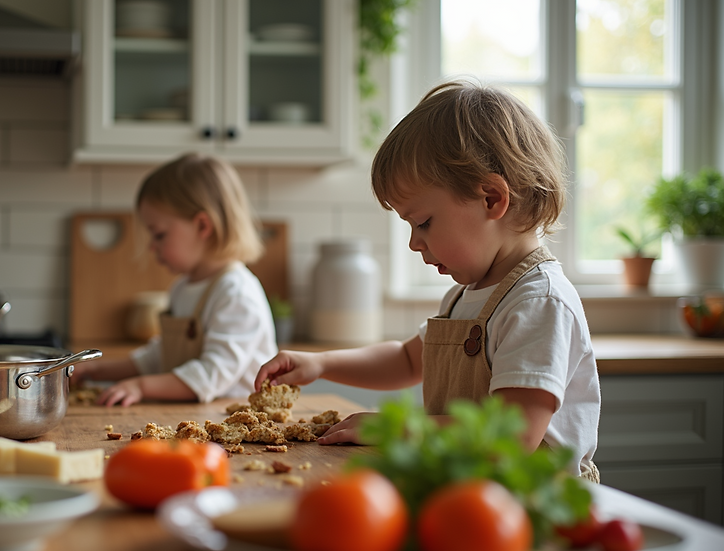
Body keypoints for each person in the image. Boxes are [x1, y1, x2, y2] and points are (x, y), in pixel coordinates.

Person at [255, 80, 601, 480]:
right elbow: (406, 360)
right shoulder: (465, 296)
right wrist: (320, 363)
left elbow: (516, 435)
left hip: (538, 513)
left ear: (491, 198)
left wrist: (393, 427)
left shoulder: (540, 301)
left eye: (422, 222)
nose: (414, 243)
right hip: (472, 499)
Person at [74, 152, 277, 407]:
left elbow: (210, 375)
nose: (151, 247)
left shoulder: (236, 292)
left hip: (236, 422)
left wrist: (140, 385)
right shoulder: (183, 287)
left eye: (159, 235)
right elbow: (161, 355)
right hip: (196, 416)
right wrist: (97, 371)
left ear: (203, 226)